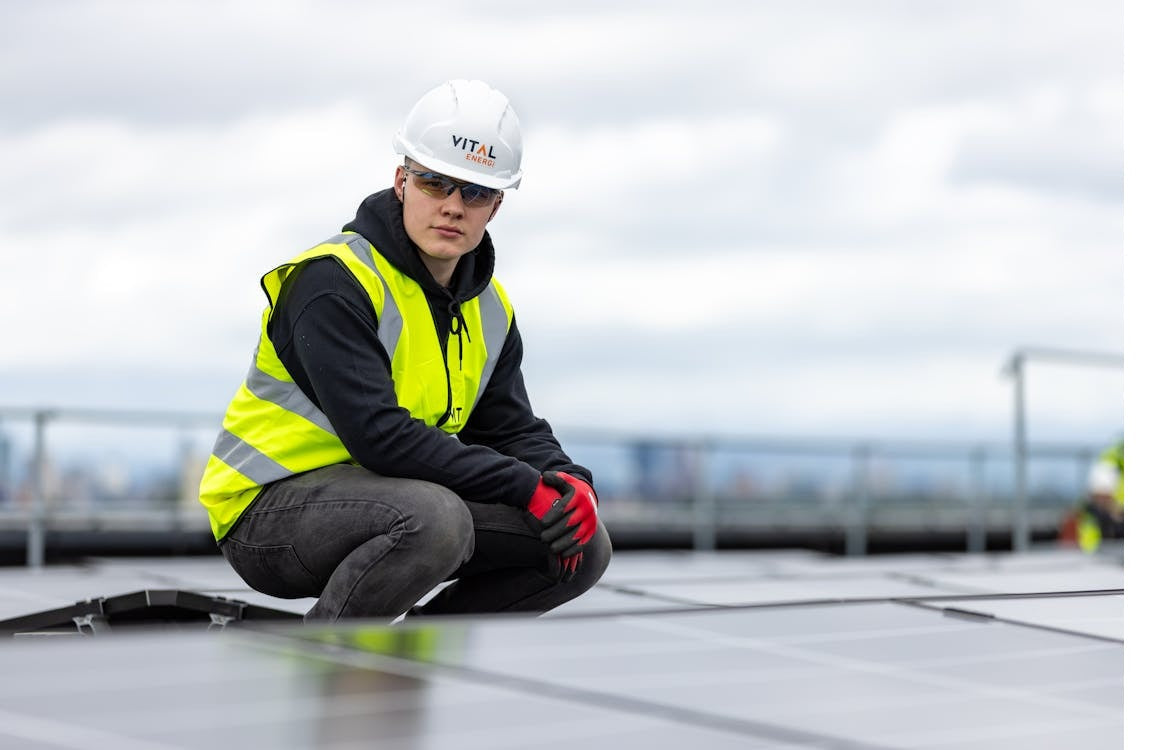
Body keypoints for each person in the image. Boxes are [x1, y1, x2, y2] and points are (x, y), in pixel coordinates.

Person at [198, 80, 611, 621]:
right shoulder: (333, 282)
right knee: (435, 520)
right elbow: (380, 437)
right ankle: (325, 662)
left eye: (475, 193)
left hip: (392, 496)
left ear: (497, 205)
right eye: (435, 183)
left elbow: (509, 428)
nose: (453, 207)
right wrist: (522, 485)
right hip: (269, 511)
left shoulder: (488, 307)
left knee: (581, 544)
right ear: (401, 182)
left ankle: (420, 656)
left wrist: (568, 481)